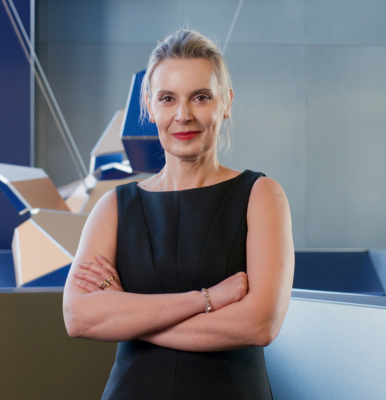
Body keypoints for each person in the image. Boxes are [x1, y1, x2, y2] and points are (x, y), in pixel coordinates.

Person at [63, 29, 294, 400]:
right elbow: (78, 317)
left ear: (226, 102)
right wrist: (208, 299)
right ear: (150, 107)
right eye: (167, 98)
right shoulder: (114, 206)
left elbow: (260, 323)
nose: (183, 115)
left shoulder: (260, 195)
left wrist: (128, 317)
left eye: (200, 97)